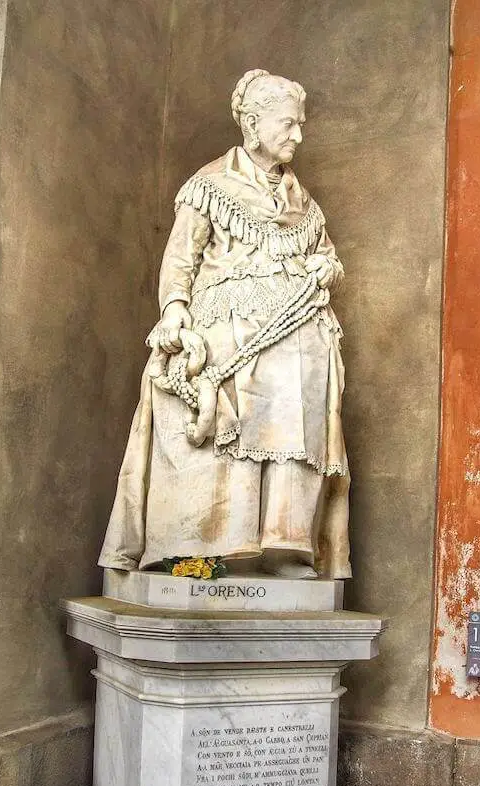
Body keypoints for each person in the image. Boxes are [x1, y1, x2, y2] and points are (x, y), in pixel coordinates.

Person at [99, 69, 351, 579]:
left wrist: (329, 267)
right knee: (223, 392)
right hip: (224, 324)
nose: (298, 136)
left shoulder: (305, 203)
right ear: (254, 124)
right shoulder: (209, 186)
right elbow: (179, 261)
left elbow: (327, 256)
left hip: (297, 325)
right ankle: (210, 540)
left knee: (300, 393)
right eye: (289, 125)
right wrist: (173, 309)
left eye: (300, 125)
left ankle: (286, 544)